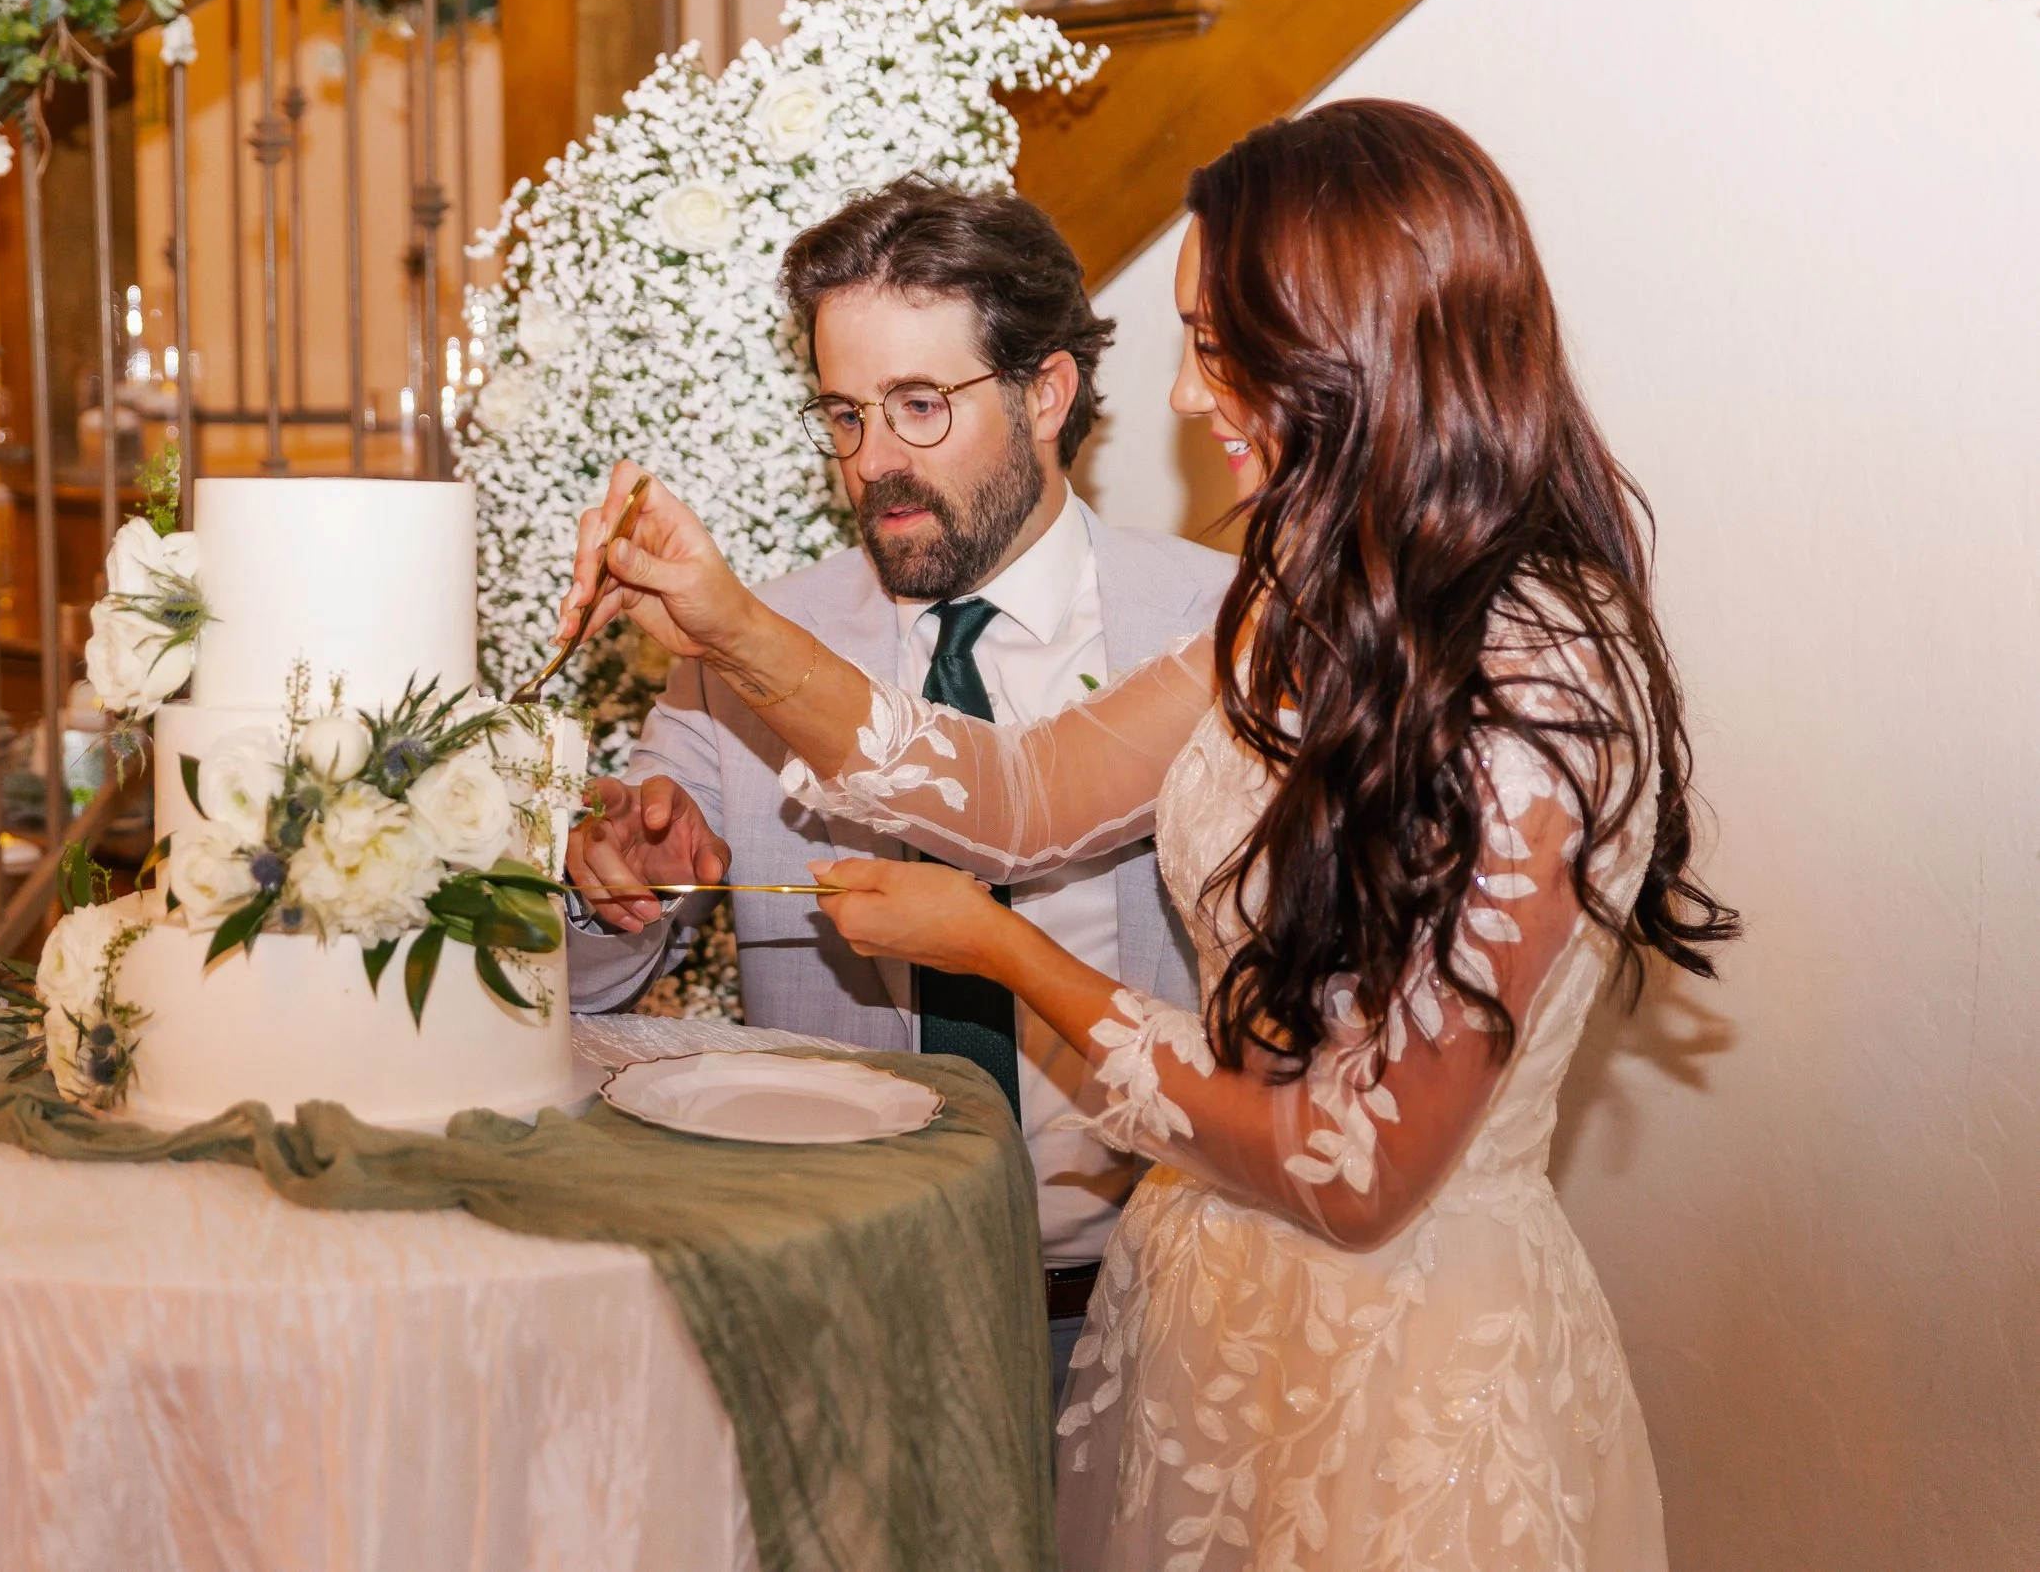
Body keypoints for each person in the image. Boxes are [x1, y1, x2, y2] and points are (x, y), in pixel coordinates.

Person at [557, 102, 1737, 1570]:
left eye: (1217, 340)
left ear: (1354, 340)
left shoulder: (1537, 666)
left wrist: (1000, 948)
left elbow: (1357, 1169)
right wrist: (731, 621)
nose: (1183, 393)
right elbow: (1018, 794)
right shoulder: (1298, 608)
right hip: (1203, 1322)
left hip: (1398, 1367)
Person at [564, 178, 1238, 1402]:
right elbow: (597, 976)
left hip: (1137, 1323)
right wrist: (616, 873)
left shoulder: (1206, 628)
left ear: (1045, 391)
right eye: (845, 414)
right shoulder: (749, 639)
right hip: (833, 1313)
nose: (875, 463)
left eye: (920, 406)